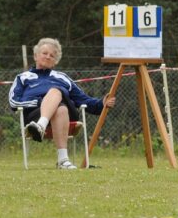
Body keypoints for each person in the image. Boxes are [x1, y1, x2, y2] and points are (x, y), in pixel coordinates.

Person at [8, 38, 116, 170]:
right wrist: (40, 102)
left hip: (63, 117)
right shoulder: (23, 77)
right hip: (34, 116)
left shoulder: (62, 77)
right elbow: (14, 102)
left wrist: (102, 103)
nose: (48, 57)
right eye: (44, 53)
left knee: (56, 93)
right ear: (36, 55)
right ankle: (63, 160)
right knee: (60, 109)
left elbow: (84, 100)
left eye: (52, 55)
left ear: (55, 62)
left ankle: (41, 127)